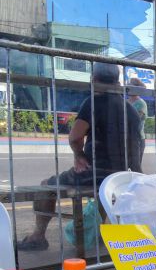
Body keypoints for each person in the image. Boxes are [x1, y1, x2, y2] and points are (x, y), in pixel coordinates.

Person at [17, 62, 143, 251]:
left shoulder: (94, 102)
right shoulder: (131, 110)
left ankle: (38, 236)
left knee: (45, 186)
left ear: (94, 79)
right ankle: (99, 232)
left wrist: (80, 155)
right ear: (117, 81)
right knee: (103, 192)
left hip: (96, 174)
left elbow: (76, 137)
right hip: (122, 176)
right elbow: (138, 145)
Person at [128, 77, 148, 163]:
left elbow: (136, 120)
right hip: (126, 138)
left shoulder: (141, 103)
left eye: (130, 85)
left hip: (137, 138)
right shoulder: (126, 102)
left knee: (135, 166)